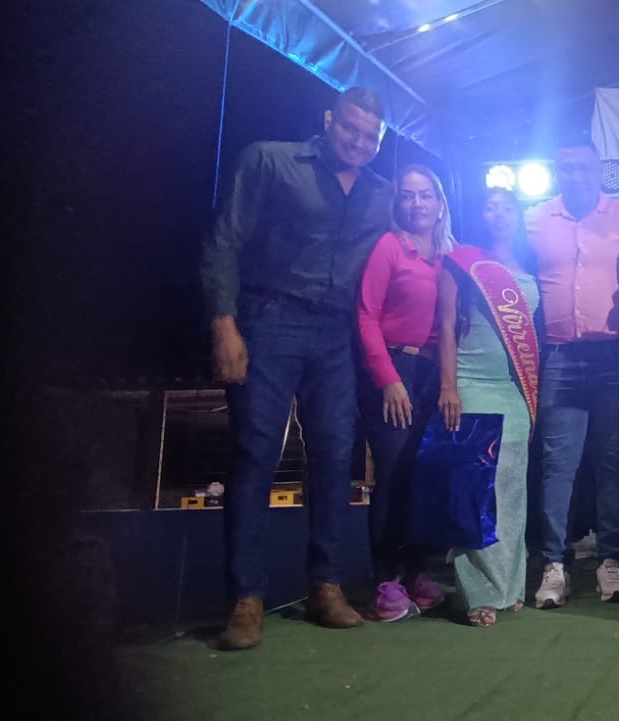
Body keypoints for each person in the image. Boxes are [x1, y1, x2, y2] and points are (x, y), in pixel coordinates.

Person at [200, 88, 393, 650]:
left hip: (337, 334)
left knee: (335, 455)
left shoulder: (382, 194)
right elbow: (223, 241)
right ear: (328, 119)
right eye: (351, 128)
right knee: (256, 455)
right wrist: (223, 324)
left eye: (371, 136)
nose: (359, 141)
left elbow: (411, 251)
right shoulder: (270, 159)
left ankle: (326, 587)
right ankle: (245, 599)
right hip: (268, 318)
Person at [527, 134, 619, 608]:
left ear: (599, 171)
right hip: (559, 357)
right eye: (567, 168)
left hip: (615, 356)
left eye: (583, 167)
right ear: (557, 172)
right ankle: (554, 564)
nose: (575, 175)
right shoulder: (535, 219)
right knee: (557, 465)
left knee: (613, 461)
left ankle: (610, 559)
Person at [435, 187, 542, 627]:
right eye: (489, 207)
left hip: (513, 391)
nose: (498, 214)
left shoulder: (529, 267)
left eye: (506, 207)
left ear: (518, 216)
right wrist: (448, 386)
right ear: (479, 215)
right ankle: (478, 593)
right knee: (476, 491)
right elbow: (445, 326)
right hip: (471, 386)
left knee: (511, 495)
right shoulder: (461, 262)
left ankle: (509, 586)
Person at [355, 165, 454, 622]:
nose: (417, 204)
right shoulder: (389, 247)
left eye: (425, 195)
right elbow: (365, 315)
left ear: (440, 204)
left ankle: (417, 572)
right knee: (393, 475)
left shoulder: (449, 255)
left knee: (423, 477)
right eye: (409, 196)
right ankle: (385, 582)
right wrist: (388, 378)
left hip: (433, 372)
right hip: (394, 369)